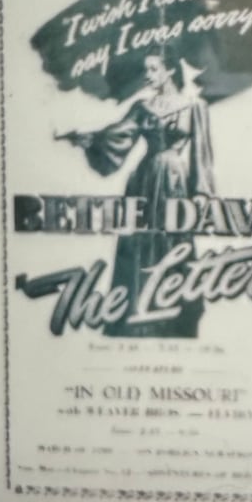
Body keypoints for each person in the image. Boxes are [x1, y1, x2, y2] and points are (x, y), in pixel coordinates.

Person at [62, 49, 215, 337]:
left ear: (170, 70)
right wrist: (88, 140)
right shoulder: (142, 108)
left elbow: (202, 156)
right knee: (139, 245)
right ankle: (136, 318)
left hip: (175, 182)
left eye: (154, 69)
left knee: (175, 243)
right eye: (146, 69)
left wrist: (202, 195)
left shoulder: (194, 106)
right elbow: (115, 137)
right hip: (143, 182)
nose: (148, 75)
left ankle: (174, 320)